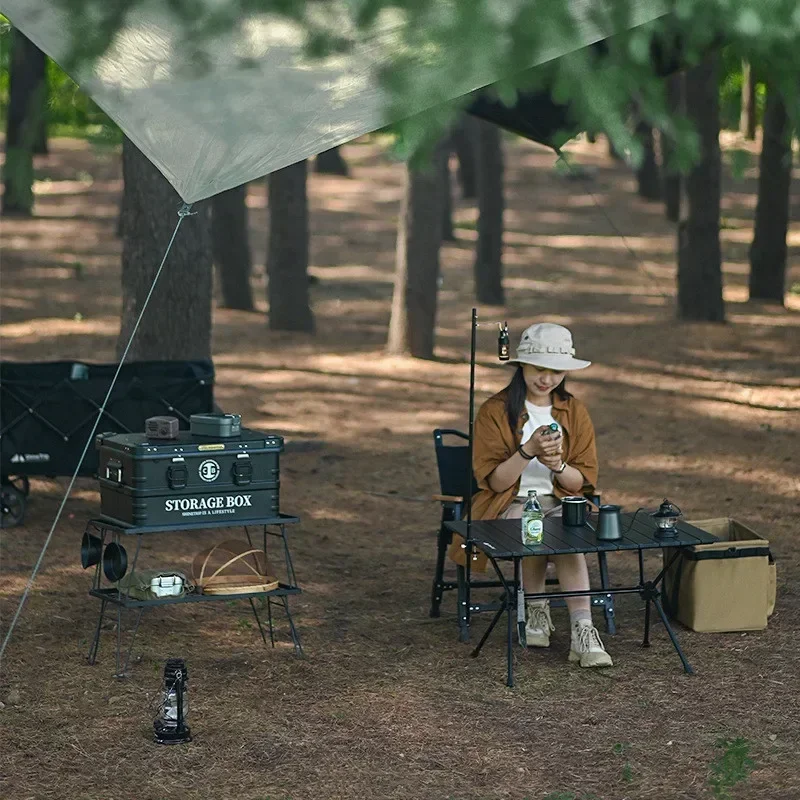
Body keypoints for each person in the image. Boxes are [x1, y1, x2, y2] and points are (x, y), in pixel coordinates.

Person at [448, 322, 612, 668]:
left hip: (560, 504)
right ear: (521, 366)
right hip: (506, 505)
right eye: (539, 369)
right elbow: (493, 483)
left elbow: (580, 482)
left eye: (556, 371)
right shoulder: (496, 410)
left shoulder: (575, 412)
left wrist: (557, 464)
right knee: (535, 527)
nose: (547, 379)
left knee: (568, 536)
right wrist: (527, 451)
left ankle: (583, 629)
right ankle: (535, 609)